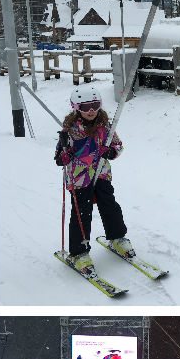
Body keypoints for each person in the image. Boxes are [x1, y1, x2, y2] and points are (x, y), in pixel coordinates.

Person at [54, 84, 133, 273]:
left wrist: (110, 152)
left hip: (102, 174)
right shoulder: (70, 131)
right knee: (82, 213)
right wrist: (65, 154)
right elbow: (58, 158)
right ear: (76, 108)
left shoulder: (105, 126)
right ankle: (79, 252)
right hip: (79, 178)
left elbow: (118, 146)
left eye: (95, 105)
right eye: (85, 107)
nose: (91, 111)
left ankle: (117, 238)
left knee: (110, 205)